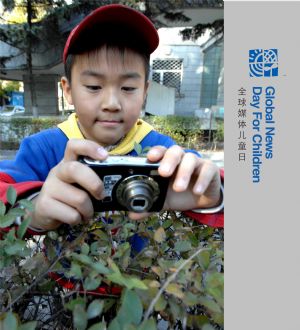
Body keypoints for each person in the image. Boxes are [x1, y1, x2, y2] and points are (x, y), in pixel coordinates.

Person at [0, 4, 223, 236]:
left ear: (145, 91)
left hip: (141, 272)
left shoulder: (161, 152)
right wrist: (34, 209)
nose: (112, 103)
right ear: (68, 90)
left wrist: (213, 194)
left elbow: (209, 178)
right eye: (94, 86)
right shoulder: (42, 149)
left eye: (128, 88)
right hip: (58, 273)